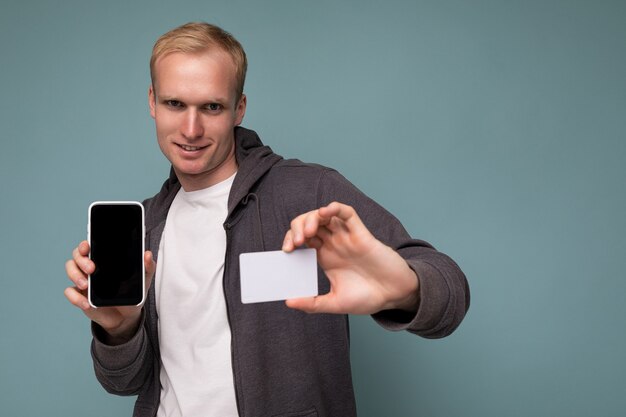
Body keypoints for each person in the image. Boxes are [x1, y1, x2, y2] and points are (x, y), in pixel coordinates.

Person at [65, 22, 470, 417]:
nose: (191, 128)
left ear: (238, 108)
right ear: (152, 101)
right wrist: (119, 330)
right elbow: (124, 383)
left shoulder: (309, 193)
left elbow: (449, 293)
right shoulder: (146, 227)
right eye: (175, 104)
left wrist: (407, 289)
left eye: (211, 106)